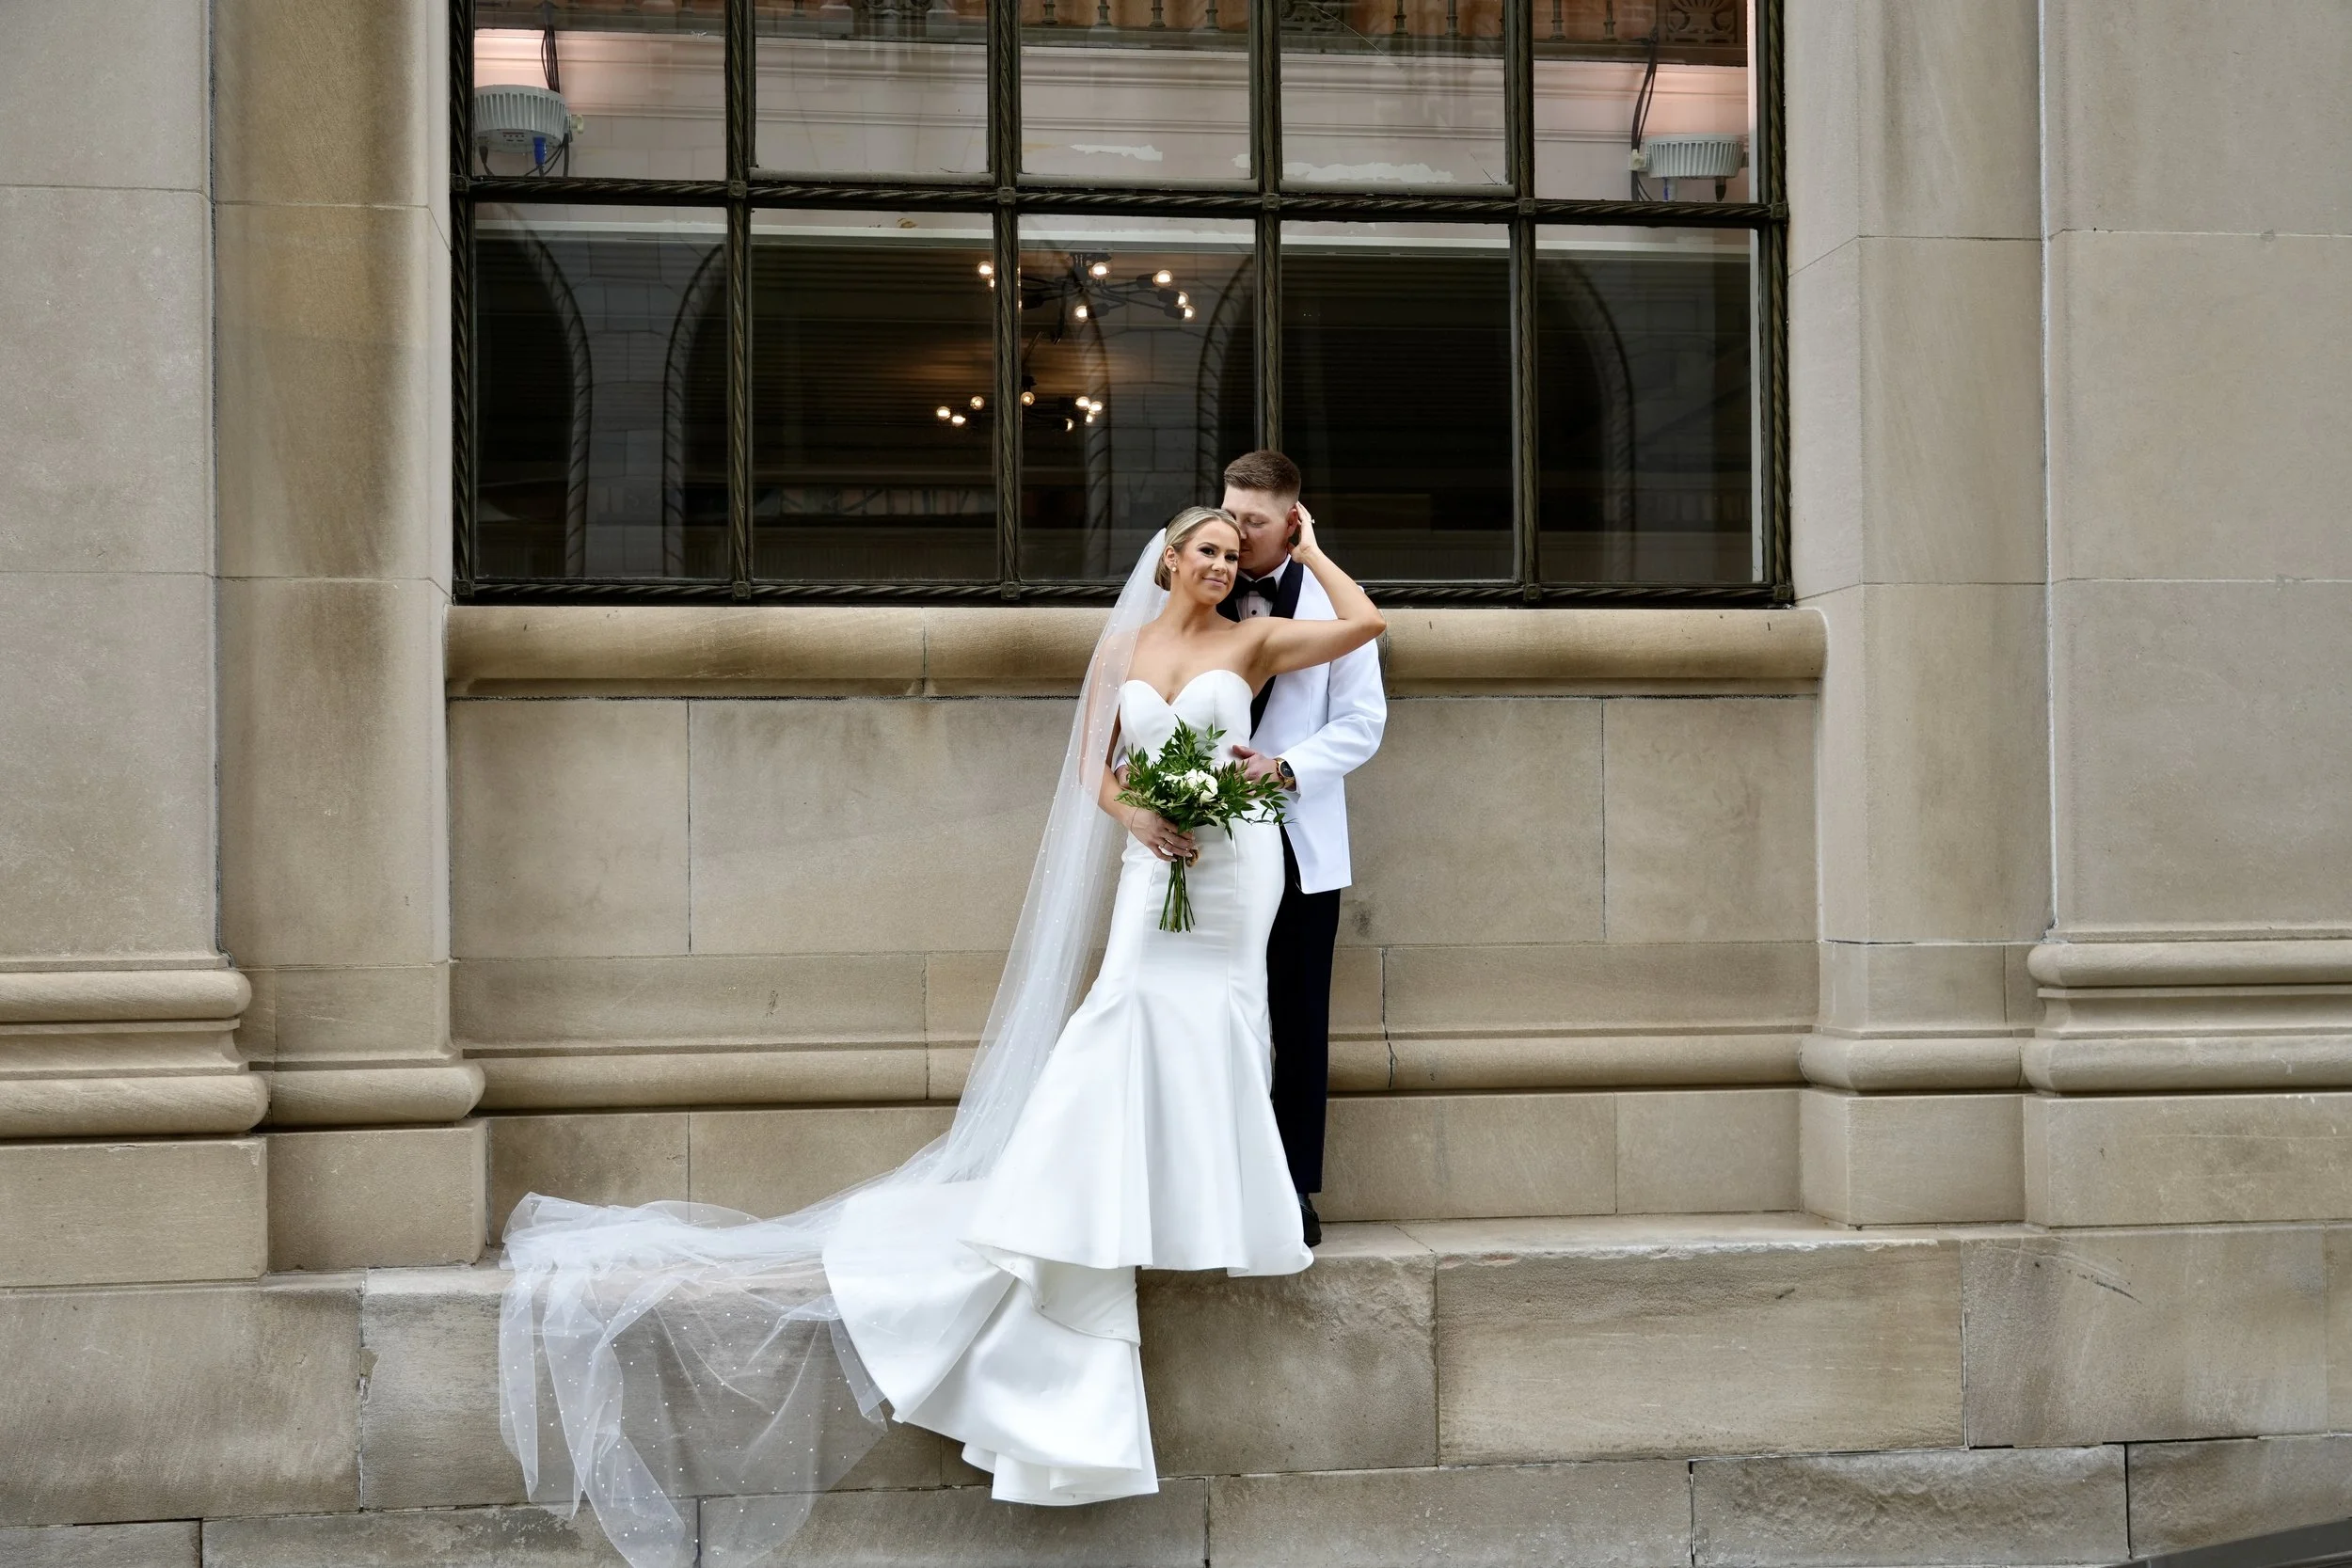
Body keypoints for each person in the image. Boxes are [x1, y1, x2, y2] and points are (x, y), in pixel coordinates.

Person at [495, 508, 1384, 1568]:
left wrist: (1313, 544)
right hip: (1159, 862)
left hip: (1237, 865)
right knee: (1122, 1008)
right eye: (1206, 548)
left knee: (1223, 1020)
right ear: (1169, 559)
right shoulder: (1126, 646)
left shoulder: (1254, 640)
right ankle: (1075, 1196)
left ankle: (1218, 1208)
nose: (1220, 564)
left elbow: (1366, 623)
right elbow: (1098, 769)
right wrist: (1135, 817)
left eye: (1234, 555)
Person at [1213, 451, 1389, 1247]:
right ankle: (1216, 1180)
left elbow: (1363, 722)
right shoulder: (1200, 585)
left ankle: (1291, 1187)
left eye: (1254, 521)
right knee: (1215, 1011)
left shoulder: (1330, 598)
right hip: (1206, 841)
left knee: (1298, 1017)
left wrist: (1286, 767)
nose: (1238, 534)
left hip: (1298, 838)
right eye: (1230, 513)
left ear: (1292, 518)